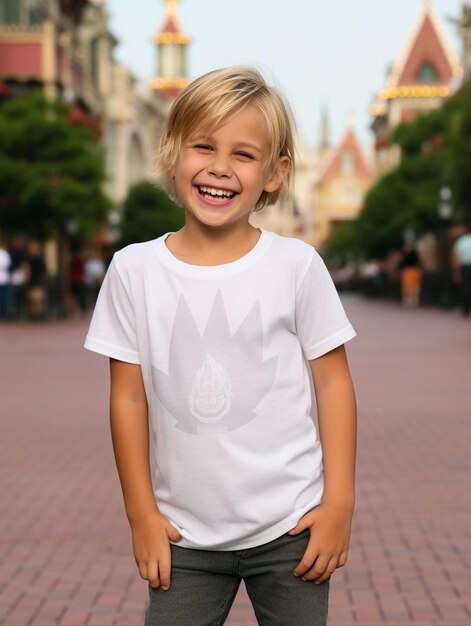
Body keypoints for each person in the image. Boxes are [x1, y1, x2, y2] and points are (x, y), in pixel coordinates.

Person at [84, 66, 357, 626]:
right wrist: (141, 514)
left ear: (276, 173)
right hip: (184, 537)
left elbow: (333, 384)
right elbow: (128, 398)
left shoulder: (297, 266)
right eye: (203, 146)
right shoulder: (133, 271)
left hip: (292, 527)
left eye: (244, 154)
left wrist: (338, 505)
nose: (219, 168)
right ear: (171, 152)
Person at [452, 222, 471, 317]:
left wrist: (456, 271)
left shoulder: (460, 241)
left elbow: (456, 257)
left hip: (465, 267)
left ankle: (466, 310)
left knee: (466, 288)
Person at [398, 242, 423, 307]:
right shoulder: (406, 255)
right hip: (408, 271)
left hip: (412, 271)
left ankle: (413, 299)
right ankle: (409, 299)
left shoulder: (412, 254)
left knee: (413, 286)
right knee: (407, 286)